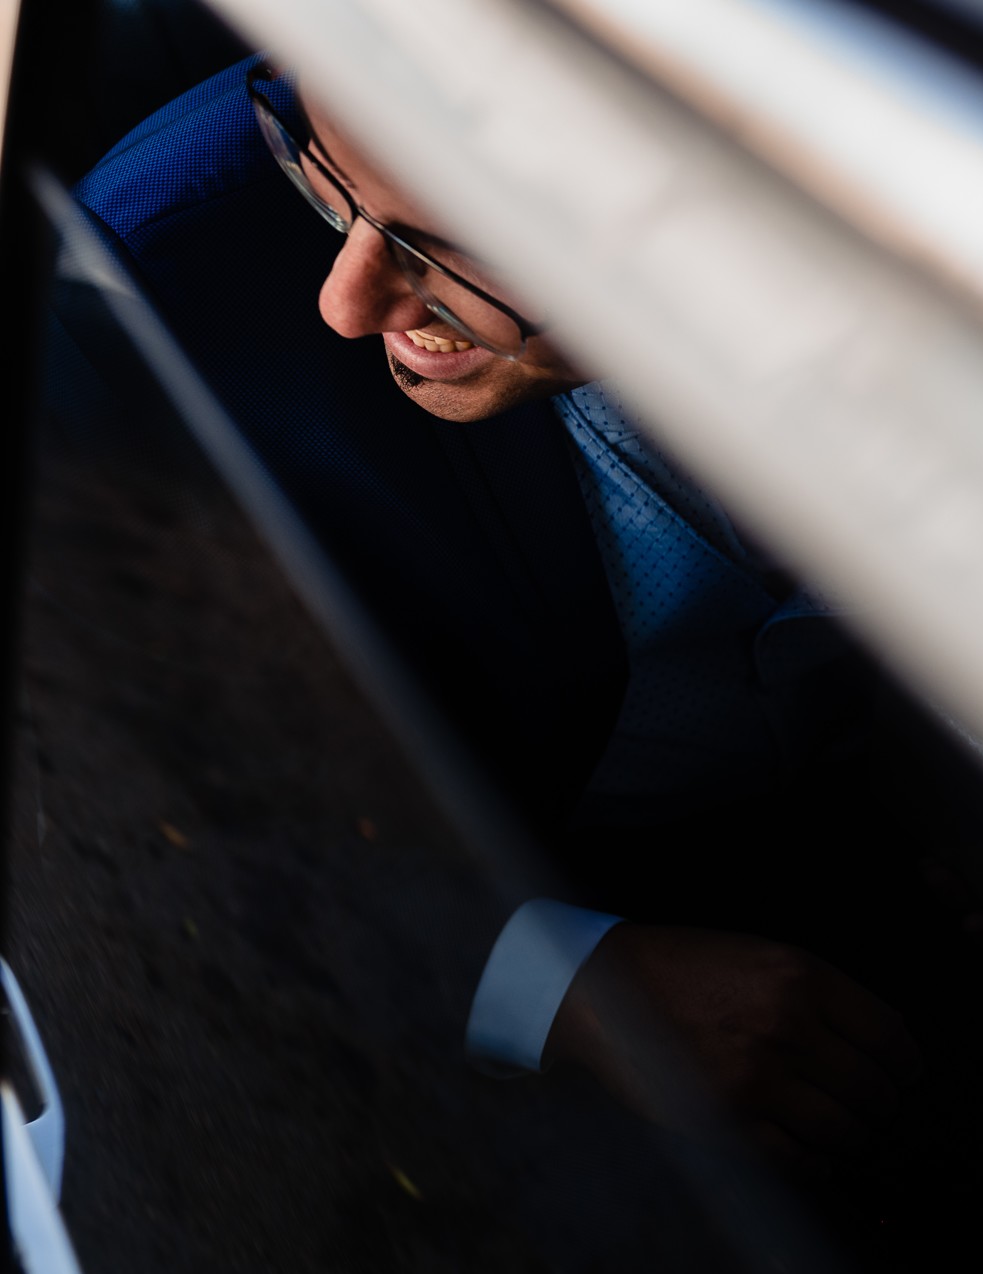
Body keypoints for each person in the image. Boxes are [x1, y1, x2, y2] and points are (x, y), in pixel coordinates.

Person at [65, 56, 930, 1173]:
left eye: (455, 253)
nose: (345, 300)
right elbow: (106, 786)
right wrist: (556, 983)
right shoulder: (136, 301)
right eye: (323, 184)